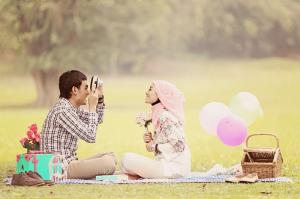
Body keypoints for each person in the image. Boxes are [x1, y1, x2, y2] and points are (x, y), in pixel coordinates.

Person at [41, 70, 116, 179]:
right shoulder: (62, 111)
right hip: (60, 168)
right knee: (108, 164)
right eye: (86, 88)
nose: (88, 92)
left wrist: (99, 99)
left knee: (111, 156)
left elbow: (97, 119)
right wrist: (92, 106)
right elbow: (90, 136)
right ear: (74, 90)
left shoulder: (71, 108)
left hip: (69, 163)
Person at [121, 80, 191, 179]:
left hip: (173, 169)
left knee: (126, 159)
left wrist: (155, 146)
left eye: (150, 89)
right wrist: (151, 143)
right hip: (167, 166)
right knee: (126, 163)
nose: (146, 92)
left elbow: (179, 146)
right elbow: (153, 147)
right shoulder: (159, 116)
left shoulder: (165, 117)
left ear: (160, 95)